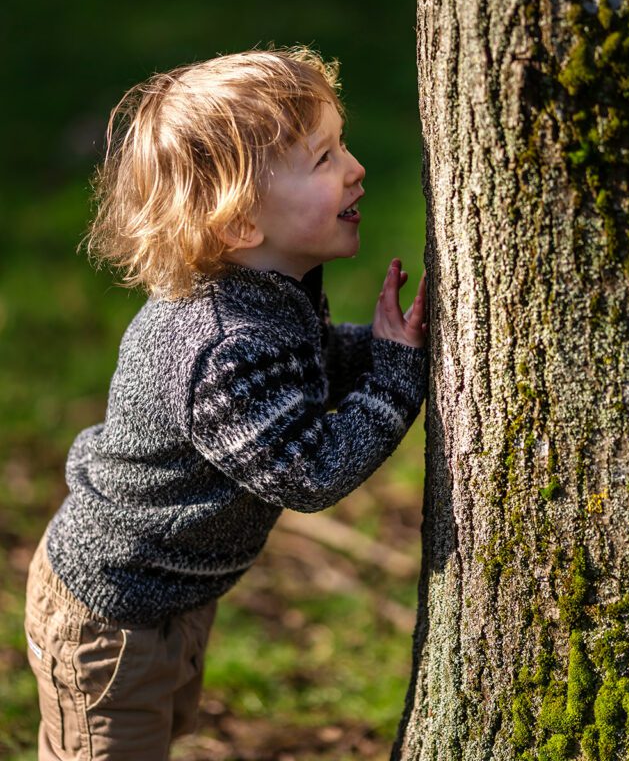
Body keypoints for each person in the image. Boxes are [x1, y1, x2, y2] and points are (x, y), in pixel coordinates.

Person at [24, 46, 428, 760]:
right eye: (323, 158)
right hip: (113, 612)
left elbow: (303, 368)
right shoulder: (218, 344)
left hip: (171, 593)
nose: (356, 167)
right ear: (241, 221)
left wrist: (383, 347)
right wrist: (395, 375)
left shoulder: (258, 300)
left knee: (158, 732)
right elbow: (309, 472)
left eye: (342, 144)